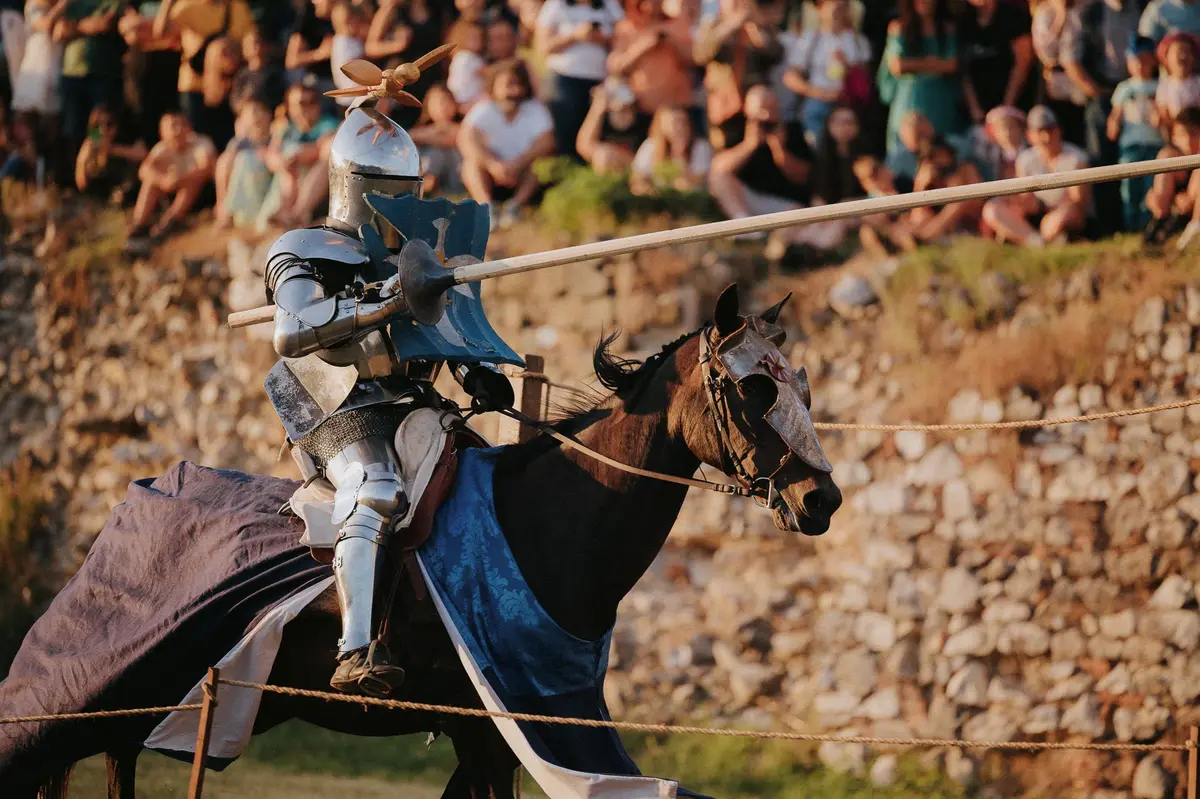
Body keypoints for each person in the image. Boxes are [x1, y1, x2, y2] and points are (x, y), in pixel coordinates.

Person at [261, 93, 518, 698]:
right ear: (351, 183)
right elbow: (292, 331)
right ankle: (354, 651)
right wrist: (387, 297)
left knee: (491, 484)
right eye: (382, 185)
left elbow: (435, 332)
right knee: (376, 489)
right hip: (335, 401)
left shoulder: (413, 251)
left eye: (404, 187)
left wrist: (474, 372)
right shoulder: (301, 247)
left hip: (411, 398)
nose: (394, 201)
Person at [459, 58, 556, 229]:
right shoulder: (484, 108)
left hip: (522, 173)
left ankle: (515, 206)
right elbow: (466, 138)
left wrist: (518, 164)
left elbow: (547, 142)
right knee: (470, 164)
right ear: (494, 87)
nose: (514, 91)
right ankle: (487, 208)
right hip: (492, 172)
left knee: (541, 164)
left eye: (518, 84)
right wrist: (492, 165)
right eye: (508, 85)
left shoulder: (534, 109)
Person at [708, 84, 814, 238]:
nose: (767, 116)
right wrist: (749, 145)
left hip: (785, 204)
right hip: (748, 199)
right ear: (747, 109)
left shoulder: (793, 129)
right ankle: (744, 228)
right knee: (719, 178)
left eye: (772, 108)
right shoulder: (735, 126)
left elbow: (804, 176)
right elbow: (718, 168)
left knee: (797, 214)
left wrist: (780, 150)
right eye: (761, 110)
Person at [981, 104, 1091, 246]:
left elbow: (1078, 202)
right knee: (992, 210)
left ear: (1059, 131)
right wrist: (1019, 203)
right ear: (1030, 135)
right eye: (1040, 132)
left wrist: (1051, 212)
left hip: (1063, 214)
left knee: (1062, 216)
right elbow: (1025, 199)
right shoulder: (1025, 159)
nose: (1046, 137)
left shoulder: (1076, 158)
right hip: (1036, 214)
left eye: (1050, 130)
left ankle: (1041, 239)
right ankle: (1036, 241)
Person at [154, 0, 257, 145]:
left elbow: (249, 43)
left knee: (225, 141)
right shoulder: (187, 6)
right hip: (194, 87)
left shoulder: (238, 7)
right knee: (198, 142)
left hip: (227, 89)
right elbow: (161, 32)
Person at [534, 0, 624, 161]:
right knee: (566, 133)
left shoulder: (610, 6)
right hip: (565, 81)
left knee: (596, 135)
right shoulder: (556, 5)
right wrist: (575, 36)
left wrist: (600, 38)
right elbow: (543, 47)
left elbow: (623, 39)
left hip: (600, 83)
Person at [879, 0, 964, 157]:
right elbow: (897, 66)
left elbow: (951, 65)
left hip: (940, 101)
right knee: (905, 146)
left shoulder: (947, 28)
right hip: (909, 99)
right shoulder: (899, 27)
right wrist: (933, 63)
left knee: (940, 150)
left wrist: (916, 66)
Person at [784, 0, 872, 145]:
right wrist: (818, 92)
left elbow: (865, 80)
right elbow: (790, 77)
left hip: (847, 103)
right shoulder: (809, 38)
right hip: (817, 103)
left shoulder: (858, 41)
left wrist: (848, 67)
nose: (836, 9)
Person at [129, 111, 217, 242]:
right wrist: (163, 180)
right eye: (173, 126)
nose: (178, 130)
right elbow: (144, 170)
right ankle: (138, 225)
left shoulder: (201, 143)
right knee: (150, 182)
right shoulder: (161, 148)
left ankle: (167, 225)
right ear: (162, 132)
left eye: (182, 125)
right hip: (172, 191)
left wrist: (180, 179)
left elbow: (207, 169)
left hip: (201, 195)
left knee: (191, 183)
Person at [1109, 34, 1164, 230]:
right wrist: (1113, 126)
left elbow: (1162, 116)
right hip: (1130, 146)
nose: (1140, 65)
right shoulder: (1124, 88)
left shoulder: (1160, 86)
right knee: (1130, 188)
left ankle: (1148, 226)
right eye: (1135, 61)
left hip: (1155, 144)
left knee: (1151, 188)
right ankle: (1130, 227)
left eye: (1144, 60)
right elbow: (1115, 115)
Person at [608, 0, 694, 117]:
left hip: (674, 107)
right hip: (640, 106)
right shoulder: (626, 27)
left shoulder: (676, 24)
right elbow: (616, 67)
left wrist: (672, 43)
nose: (653, 5)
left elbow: (693, 58)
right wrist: (644, 47)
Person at [958, 0, 1034, 123]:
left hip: (1013, 106)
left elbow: (1023, 61)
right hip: (979, 111)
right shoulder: (964, 20)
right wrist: (975, 108)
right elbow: (964, 69)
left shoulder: (1013, 15)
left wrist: (1007, 105)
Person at [629, 104, 712, 194]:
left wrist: (682, 160)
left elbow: (702, 180)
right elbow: (637, 178)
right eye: (675, 123)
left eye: (683, 122)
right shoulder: (650, 146)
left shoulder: (701, 147)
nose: (680, 128)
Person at [1146, 105, 1200, 243]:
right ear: (1174, 136)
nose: (1188, 140)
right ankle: (1160, 225)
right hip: (1173, 210)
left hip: (1190, 213)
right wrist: (1160, 202)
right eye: (1182, 134)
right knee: (1166, 157)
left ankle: (1194, 227)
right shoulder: (1170, 155)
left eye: (1193, 134)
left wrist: (1190, 200)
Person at [576, 76, 650, 173]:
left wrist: (618, 156)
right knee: (603, 156)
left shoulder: (643, 118)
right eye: (612, 92)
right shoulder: (602, 117)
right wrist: (597, 108)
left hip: (635, 171)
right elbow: (584, 147)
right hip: (606, 170)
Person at [75, 103, 147, 202]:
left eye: (109, 124)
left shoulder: (126, 135)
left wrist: (113, 150)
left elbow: (143, 154)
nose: (103, 129)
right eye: (98, 124)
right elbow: (81, 184)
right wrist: (82, 160)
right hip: (102, 187)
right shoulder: (93, 138)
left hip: (126, 183)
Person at [409, 83, 464, 195]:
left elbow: (451, 139)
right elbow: (410, 135)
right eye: (437, 103)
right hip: (432, 168)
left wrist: (431, 136)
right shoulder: (423, 129)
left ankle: (431, 184)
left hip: (454, 173)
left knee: (443, 152)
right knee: (434, 153)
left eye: (446, 102)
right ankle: (427, 181)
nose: (442, 107)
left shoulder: (462, 127)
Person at [1155, 31, 1200, 127]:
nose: (1183, 56)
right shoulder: (1164, 86)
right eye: (1179, 51)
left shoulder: (1198, 82)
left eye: (1187, 52)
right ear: (1166, 58)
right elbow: (1163, 113)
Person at [446, 18, 488, 109]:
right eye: (472, 38)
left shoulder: (461, 56)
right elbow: (485, 72)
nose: (477, 41)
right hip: (467, 98)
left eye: (479, 37)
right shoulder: (466, 57)